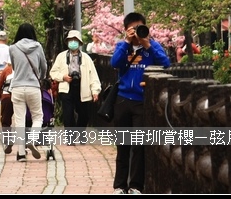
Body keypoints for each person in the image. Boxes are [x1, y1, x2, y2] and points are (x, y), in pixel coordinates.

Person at [111, 12, 171, 194]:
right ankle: (120, 186)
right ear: (126, 29)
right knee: (123, 146)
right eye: (133, 28)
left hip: (141, 102)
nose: (137, 32)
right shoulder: (122, 46)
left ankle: (136, 186)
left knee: (138, 146)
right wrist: (127, 43)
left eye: (140, 28)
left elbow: (166, 63)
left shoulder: (151, 47)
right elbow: (115, 63)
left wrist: (148, 45)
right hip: (123, 100)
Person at [50, 29, 101, 141]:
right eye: (71, 40)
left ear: (79, 42)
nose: (73, 42)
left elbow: (93, 76)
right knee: (68, 113)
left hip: (82, 87)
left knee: (84, 114)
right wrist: (63, 77)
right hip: (66, 87)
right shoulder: (61, 56)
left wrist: (95, 91)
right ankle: (70, 138)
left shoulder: (86, 58)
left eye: (75, 40)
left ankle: (80, 133)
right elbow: (53, 72)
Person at [7, 23, 47, 162]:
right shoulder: (38, 46)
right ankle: (33, 139)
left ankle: (21, 154)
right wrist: (40, 78)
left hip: (17, 87)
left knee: (20, 120)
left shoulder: (12, 48)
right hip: (33, 87)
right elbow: (44, 66)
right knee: (37, 117)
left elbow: (14, 67)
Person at [0, 63, 15, 155]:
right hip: (22, 96)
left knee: (5, 121)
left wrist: (0, 96)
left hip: (7, 96)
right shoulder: (25, 67)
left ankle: (8, 141)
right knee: (23, 120)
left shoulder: (7, 70)